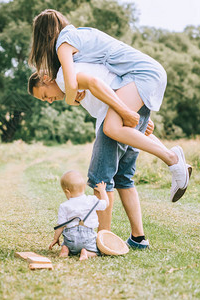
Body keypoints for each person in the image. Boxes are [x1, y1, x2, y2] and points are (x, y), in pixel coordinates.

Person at [28, 9, 190, 204]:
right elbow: (101, 77)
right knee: (122, 127)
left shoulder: (64, 44)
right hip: (142, 74)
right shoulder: (78, 36)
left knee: (111, 128)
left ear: (42, 37)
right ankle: (173, 157)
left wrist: (72, 98)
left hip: (141, 74)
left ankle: (172, 159)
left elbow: (72, 84)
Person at [49, 170, 108, 260]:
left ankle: (65, 249)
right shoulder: (92, 200)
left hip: (71, 238)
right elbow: (106, 204)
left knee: (67, 243)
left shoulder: (64, 206)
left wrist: (55, 238)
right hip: (88, 237)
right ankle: (86, 252)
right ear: (84, 186)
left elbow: (60, 226)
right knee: (98, 251)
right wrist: (102, 191)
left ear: (67, 192)